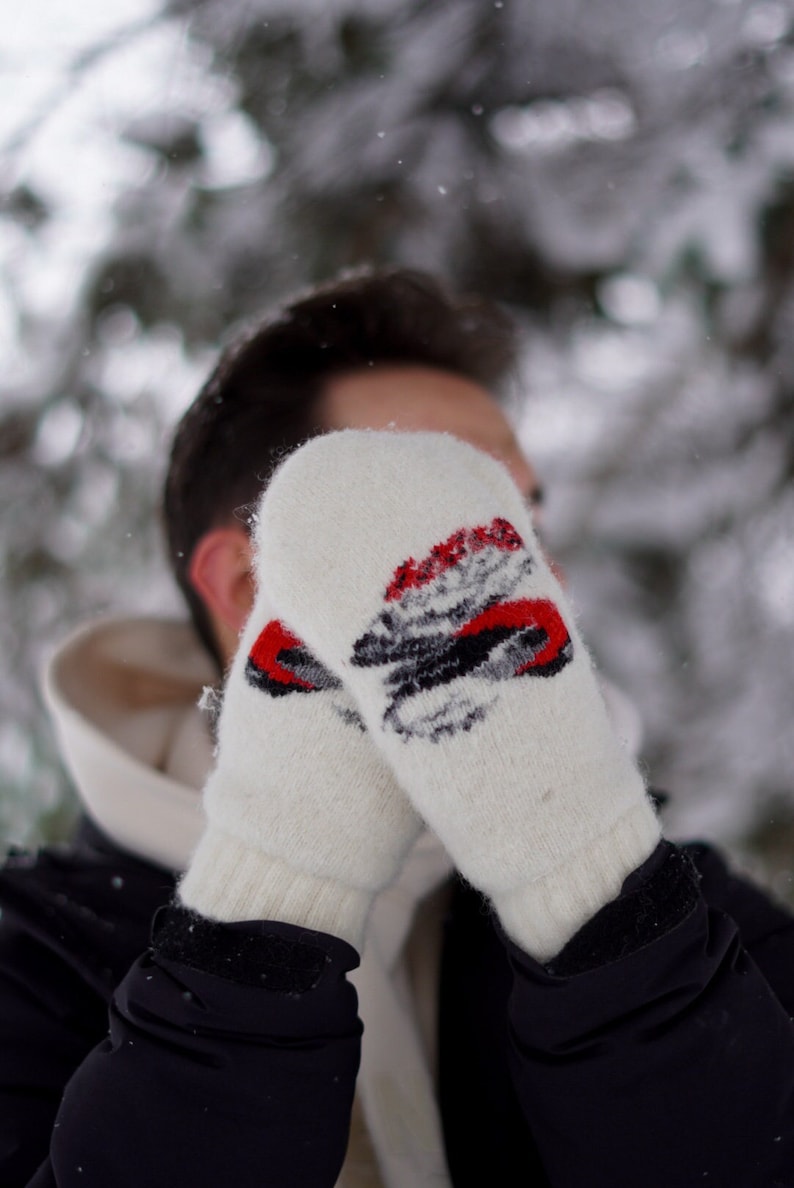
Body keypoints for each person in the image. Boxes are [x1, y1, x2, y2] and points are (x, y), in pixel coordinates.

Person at [1, 268, 793, 1188]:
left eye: (518, 523)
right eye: (422, 508)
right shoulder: (28, 947)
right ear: (250, 586)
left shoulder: (685, 911)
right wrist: (274, 890)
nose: (524, 573)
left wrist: (588, 886)